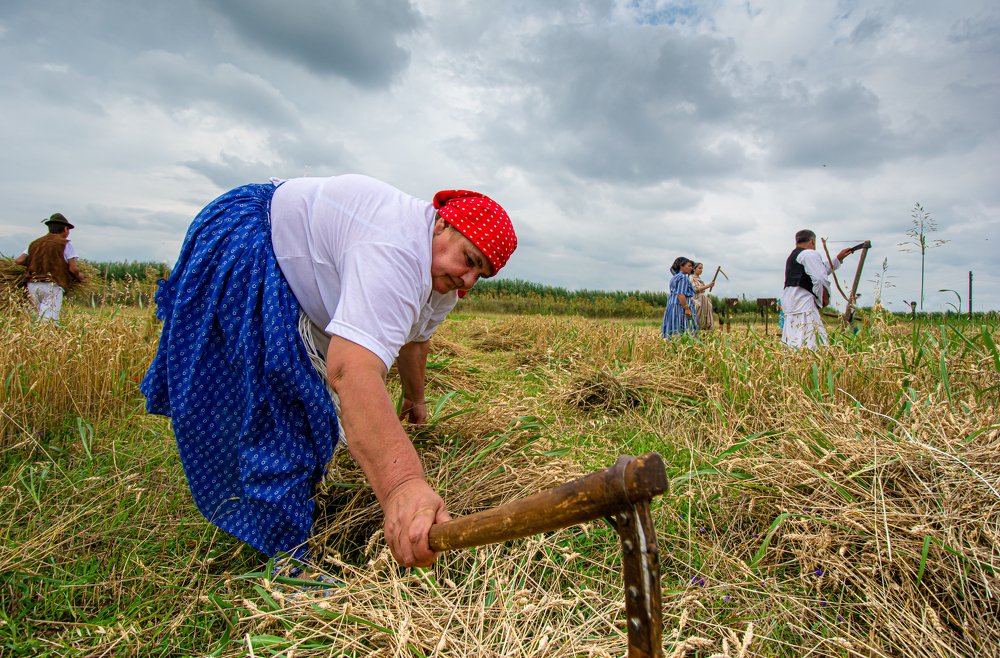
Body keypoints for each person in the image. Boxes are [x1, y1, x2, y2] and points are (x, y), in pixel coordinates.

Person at [140, 175, 517, 570]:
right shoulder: (396, 251)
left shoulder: (444, 280)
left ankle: (281, 517)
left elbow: (415, 340)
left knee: (307, 413)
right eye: (469, 260)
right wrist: (403, 487)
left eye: (481, 274)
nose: (468, 280)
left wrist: (414, 398)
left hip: (287, 258)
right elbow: (351, 371)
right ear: (441, 224)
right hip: (253, 242)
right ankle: (287, 561)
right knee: (284, 416)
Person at [780, 229, 853, 348]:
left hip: (791, 302)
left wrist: (838, 259)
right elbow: (819, 278)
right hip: (803, 302)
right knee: (813, 340)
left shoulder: (794, 256)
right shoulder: (809, 254)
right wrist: (823, 297)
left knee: (794, 339)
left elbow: (819, 270)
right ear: (812, 242)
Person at [13, 213, 84, 322]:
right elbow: (73, 269)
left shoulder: (35, 243)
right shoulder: (65, 244)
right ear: (65, 228)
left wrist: (35, 263)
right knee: (48, 321)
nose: (69, 232)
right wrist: (80, 276)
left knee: (34, 319)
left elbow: (19, 260)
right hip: (52, 285)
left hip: (32, 285)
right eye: (68, 230)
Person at [661, 257, 698, 338]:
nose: (691, 268)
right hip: (680, 305)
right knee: (684, 326)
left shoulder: (675, 277)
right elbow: (680, 294)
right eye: (689, 266)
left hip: (672, 304)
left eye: (691, 266)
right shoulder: (683, 277)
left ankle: (671, 341)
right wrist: (686, 308)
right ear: (681, 266)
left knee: (673, 325)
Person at [689, 262, 716, 331]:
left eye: (702, 268)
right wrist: (708, 286)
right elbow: (695, 289)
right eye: (699, 268)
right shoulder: (692, 278)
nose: (701, 270)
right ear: (694, 269)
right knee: (700, 318)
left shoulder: (699, 279)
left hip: (703, 300)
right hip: (697, 300)